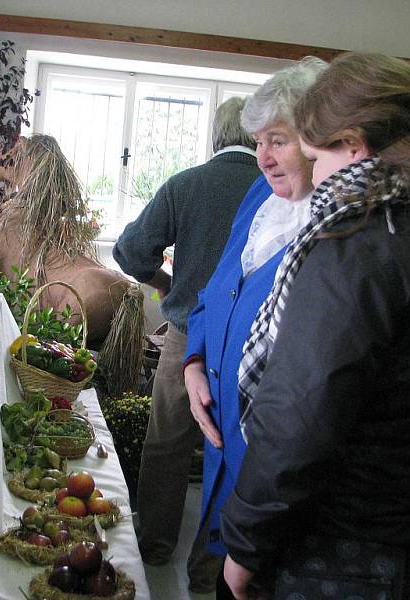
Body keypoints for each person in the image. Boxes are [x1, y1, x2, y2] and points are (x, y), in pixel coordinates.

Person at [221, 52, 410, 600]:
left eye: (315, 156)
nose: (315, 175)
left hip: (349, 553)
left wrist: (245, 542)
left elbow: (299, 416)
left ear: (354, 146)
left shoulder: (359, 240)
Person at [181, 58, 327, 597]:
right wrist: (193, 362)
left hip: (273, 466)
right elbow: (212, 294)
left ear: (318, 140)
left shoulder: (330, 223)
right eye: (259, 141)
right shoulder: (258, 199)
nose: (263, 157)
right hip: (224, 445)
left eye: (278, 140)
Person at [111, 96, 262, 590]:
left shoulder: (185, 184)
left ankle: (154, 546)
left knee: (167, 444)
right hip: (250, 343)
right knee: (234, 453)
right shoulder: (274, 190)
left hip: (185, 339)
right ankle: (209, 570)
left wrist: (164, 283)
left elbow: (129, 252)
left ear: (215, 137)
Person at [0, 134, 130, 347]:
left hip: (84, 295)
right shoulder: (55, 227)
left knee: (54, 357)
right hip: (115, 282)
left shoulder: (3, 228)